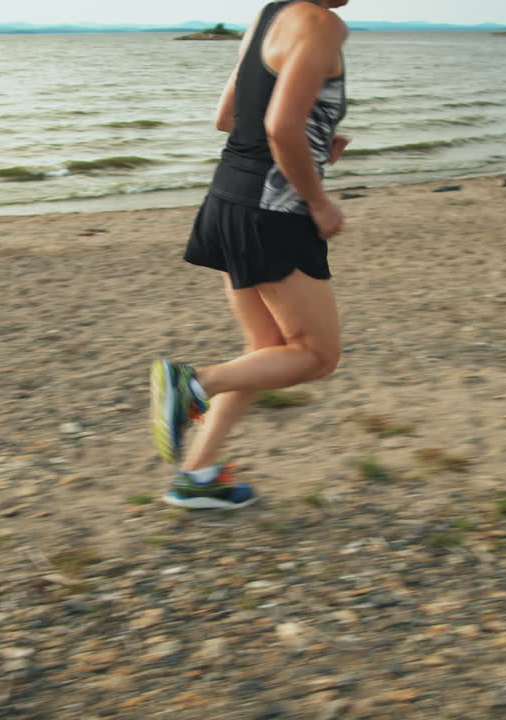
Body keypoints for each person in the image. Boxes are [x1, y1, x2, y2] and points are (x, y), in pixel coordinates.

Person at [150, 0, 351, 509]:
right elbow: (281, 128)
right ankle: (192, 385)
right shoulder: (320, 22)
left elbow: (228, 118)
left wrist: (319, 144)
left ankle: (196, 476)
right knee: (317, 356)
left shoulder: (269, 16)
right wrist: (319, 202)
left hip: (227, 201)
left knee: (266, 350)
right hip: (274, 214)